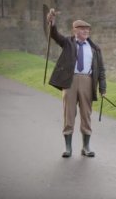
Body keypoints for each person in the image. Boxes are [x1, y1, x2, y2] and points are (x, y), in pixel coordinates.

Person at [46, 9, 106, 158]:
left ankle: (86, 147)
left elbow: (102, 70)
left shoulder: (94, 48)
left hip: (87, 80)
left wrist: (102, 87)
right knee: (69, 114)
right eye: (83, 29)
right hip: (70, 81)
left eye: (88, 29)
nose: (86, 31)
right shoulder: (67, 42)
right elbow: (55, 35)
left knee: (86, 114)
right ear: (75, 30)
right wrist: (52, 23)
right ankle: (68, 148)